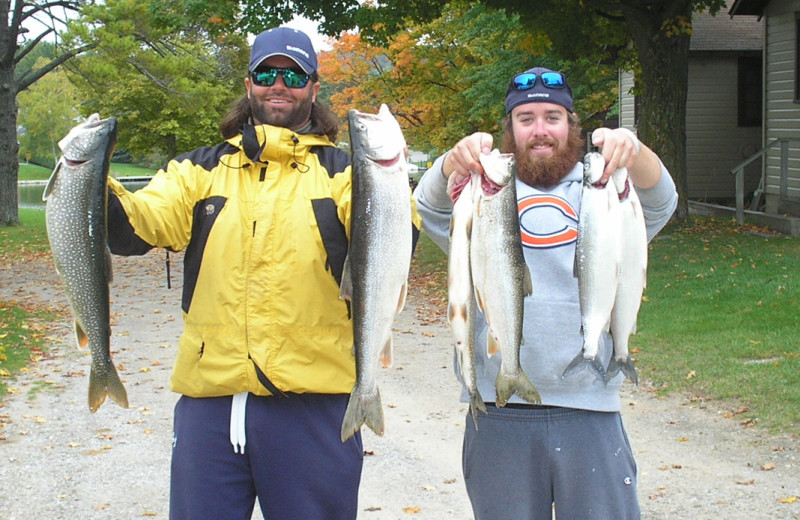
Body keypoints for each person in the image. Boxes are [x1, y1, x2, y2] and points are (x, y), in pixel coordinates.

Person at [106, 26, 415, 520]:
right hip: (209, 405)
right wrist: (91, 186)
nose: (279, 83)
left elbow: (395, 235)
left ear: (314, 88)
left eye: (293, 74)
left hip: (317, 409)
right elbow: (135, 226)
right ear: (248, 83)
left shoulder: (348, 172)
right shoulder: (195, 171)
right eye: (266, 72)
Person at [413, 67, 678, 519]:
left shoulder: (607, 191)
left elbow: (661, 200)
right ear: (510, 129)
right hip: (499, 412)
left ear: (571, 124)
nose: (540, 130)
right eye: (527, 118)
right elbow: (427, 207)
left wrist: (637, 153)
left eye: (553, 117)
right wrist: (448, 164)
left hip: (590, 408)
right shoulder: (480, 195)